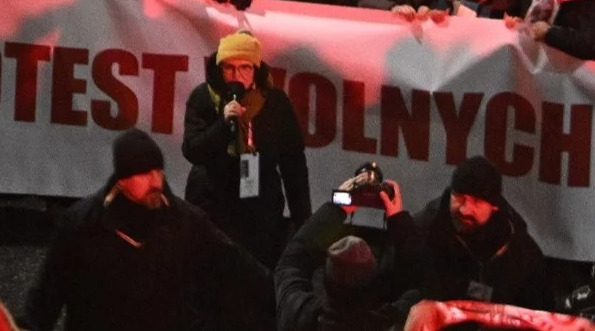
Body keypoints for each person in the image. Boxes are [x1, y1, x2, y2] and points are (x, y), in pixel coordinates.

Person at [23, 129, 269, 331]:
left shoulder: (185, 222)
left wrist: (288, 295)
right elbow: (47, 296)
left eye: (158, 171)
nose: (155, 181)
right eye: (143, 173)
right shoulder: (82, 224)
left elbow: (236, 265)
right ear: (122, 180)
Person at [180, 30, 309, 261]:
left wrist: (304, 224)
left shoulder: (275, 103)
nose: (236, 75)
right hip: (212, 203)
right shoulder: (204, 97)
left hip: (259, 209)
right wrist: (223, 124)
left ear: (256, 69)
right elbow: (193, 150)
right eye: (229, 67)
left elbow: (294, 165)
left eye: (245, 67)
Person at [273, 168, 420, 331]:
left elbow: (291, 261)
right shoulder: (392, 323)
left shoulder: (300, 315)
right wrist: (399, 221)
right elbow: (422, 283)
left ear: (324, 283)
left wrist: (336, 208)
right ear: (374, 288)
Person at [414, 156, 551, 309]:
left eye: (477, 202)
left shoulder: (520, 249)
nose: (464, 210)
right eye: (459, 197)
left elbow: (541, 310)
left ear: (494, 206)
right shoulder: (426, 228)